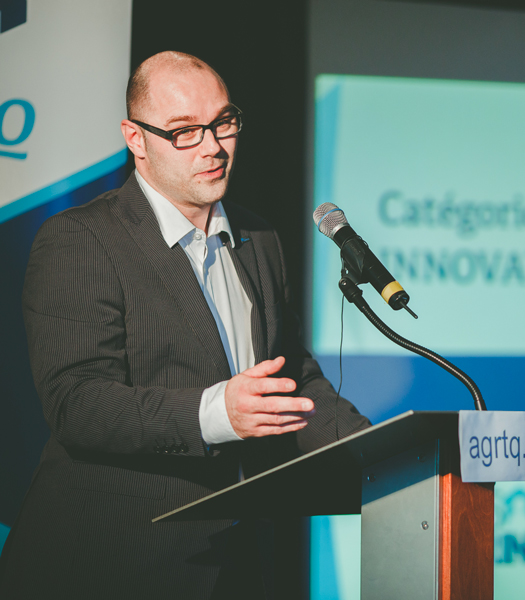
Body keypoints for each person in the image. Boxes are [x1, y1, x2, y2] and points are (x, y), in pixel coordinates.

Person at [0, 52, 369, 599]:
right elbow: (76, 402)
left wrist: (384, 452)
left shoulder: (259, 238)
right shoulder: (81, 238)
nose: (213, 146)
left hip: (236, 564)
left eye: (223, 122)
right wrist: (217, 412)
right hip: (109, 564)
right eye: (184, 131)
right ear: (135, 138)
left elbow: (289, 378)